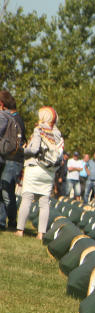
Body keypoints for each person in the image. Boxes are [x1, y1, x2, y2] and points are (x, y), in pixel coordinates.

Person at [15, 106, 63, 238]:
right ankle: (41, 233)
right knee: (44, 202)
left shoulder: (39, 130)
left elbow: (35, 149)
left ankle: (20, 230)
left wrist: (23, 150)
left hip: (35, 167)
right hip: (49, 171)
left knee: (27, 198)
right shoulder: (57, 133)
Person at [0, 89, 26, 230]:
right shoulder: (14, 117)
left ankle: (12, 221)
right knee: (3, 190)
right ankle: (3, 221)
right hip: (8, 158)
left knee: (7, 191)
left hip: (13, 159)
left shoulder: (13, 118)